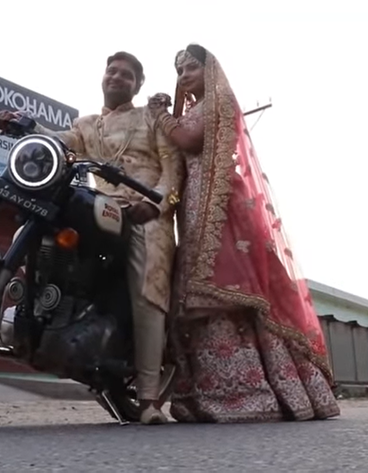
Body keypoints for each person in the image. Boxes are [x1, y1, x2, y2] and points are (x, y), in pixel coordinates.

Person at [146, 44, 341, 422]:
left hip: (224, 210)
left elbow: (187, 140)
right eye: (179, 70)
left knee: (230, 292)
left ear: (210, 71)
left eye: (190, 68)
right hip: (194, 205)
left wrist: (160, 116)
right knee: (201, 296)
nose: (184, 76)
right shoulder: (192, 110)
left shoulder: (218, 101)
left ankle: (257, 395)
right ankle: (207, 394)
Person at [0, 52, 185, 424]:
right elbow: (58, 141)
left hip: (145, 214)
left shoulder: (152, 117)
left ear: (138, 84)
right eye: (112, 71)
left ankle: (148, 401)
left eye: (126, 75)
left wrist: (156, 205)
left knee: (145, 292)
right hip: (103, 209)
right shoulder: (86, 124)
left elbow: (173, 170)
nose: (116, 77)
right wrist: (23, 124)